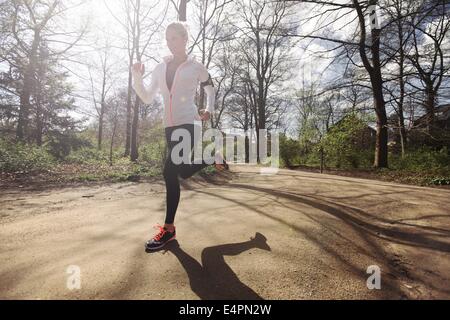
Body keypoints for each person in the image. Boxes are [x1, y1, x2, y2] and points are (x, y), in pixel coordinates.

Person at [131, 22, 228, 251]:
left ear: (185, 39)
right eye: (167, 38)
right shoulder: (159, 68)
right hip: (169, 126)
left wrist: (209, 108)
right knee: (182, 171)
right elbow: (146, 96)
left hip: (189, 123)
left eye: (174, 38)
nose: (170, 42)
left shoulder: (196, 66)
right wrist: (136, 76)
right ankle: (212, 157)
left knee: (169, 171)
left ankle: (169, 230)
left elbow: (210, 88)